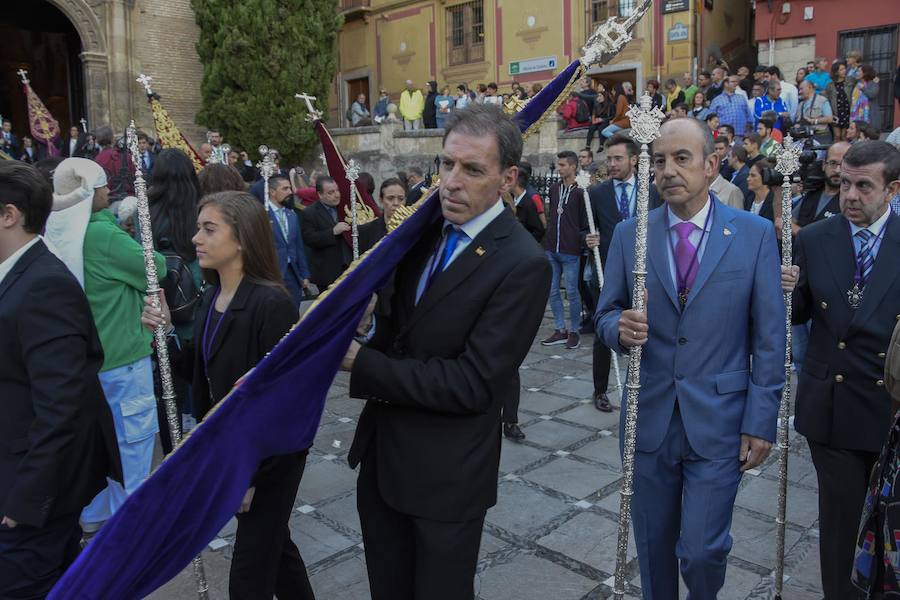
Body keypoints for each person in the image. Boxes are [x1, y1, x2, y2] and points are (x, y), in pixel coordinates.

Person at [339, 103, 551, 599]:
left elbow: (473, 385)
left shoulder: (523, 264)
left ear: (507, 177)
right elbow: (403, 330)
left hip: (446, 479)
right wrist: (367, 323)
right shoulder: (422, 231)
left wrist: (361, 362)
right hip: (383, 463)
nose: (451, 182)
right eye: (446, 164)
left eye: (472, 169)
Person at [596, 117, 784, 599]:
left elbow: (768, 336)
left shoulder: (753, 234)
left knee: (702, 551)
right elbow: (605, 313)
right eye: (659, 161)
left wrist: (762, 420)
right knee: (653, 550)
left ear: (711, 164)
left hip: (719, 422)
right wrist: (617, 328)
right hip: (648, 420)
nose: (668, 170)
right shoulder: (629, 235)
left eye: (682, 158)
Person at [142, 191, 315, 600]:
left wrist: (251, 479)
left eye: (208, 229)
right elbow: (196, 374)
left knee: (248, 579)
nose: (196, 239)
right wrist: (164, 332)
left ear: (241, 239)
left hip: (267, 465)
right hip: (228, 456)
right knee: (277, 552)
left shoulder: (271, 304)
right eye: (198, 228)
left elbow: (285, 408)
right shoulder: (212, 296)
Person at [783, 140, 900, 600]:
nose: (850, 195)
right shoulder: (814, 238)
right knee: (840, 524)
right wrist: (785, 289)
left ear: (892, 190)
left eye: (863, 186)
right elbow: (797, 315)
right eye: (845, 183)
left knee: (889, 524)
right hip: (830, 408)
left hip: (889, 410)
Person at [0, 161, 121, 598]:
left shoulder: (44, 285)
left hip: (29, 502)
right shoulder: (16, 275)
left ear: (9, 215)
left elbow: (63, 407)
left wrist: (24, 503)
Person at [44, 157, 165, 537]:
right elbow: (155, 267)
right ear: (86, 192)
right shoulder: (100, 233)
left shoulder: (56, 228)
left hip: (83, 361)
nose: (107, 189)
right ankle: (130, 524)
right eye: (100, 184)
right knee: (132, 440)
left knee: (94, 444)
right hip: (123, 359)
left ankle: (96, 515)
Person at [585, 133, 662, 412]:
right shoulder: (596, 193)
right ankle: (600, 390)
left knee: (642, 330)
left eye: (618, 158)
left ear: (633, 159)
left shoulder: (652, 191)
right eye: (609, 158)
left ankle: (647, 387)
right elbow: (585, 226)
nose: (612, 164)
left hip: (645, 274)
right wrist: (588, 238)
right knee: (605, 330)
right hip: (607, 272)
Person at [541, 150, 586, 350]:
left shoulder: (581, 191)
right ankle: (560, 329)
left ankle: (574, 330)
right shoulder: (554, 188)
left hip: (570, 249)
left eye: (563, 165)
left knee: (572, 292)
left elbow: (584, 220)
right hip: (551, 248)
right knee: (552, 291)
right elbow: (552, 215)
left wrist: (580, 242)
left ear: (573, 166)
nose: (559, 169)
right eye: (558, 165)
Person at [300, 175, 352, 290]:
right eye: (331, 192)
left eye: (337, 190)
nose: (337, 195)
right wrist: (332, 232)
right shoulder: (310, 213)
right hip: (327, 272)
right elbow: (309, 239)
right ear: (320, 195)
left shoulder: (346, 207)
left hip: (349, 267)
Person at [266, 175, 311, 307]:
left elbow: (298, 246)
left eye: (290, 188)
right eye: (285, 189)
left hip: (293, 275)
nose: (290, 192)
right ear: (272, 191)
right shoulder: (261, 214)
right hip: (273, 275)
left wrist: (305, 274)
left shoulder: (292, 215)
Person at [793, 142, 850, 228]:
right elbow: (786, 223)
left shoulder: (851, 200)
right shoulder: (812, 193)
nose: (837, 170)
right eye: (833, 163)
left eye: (843, 164)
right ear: (824, 165)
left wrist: (798, 232)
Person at [93, 126, 135, 203]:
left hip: (108, 199)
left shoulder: (97, 160)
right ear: (112, 139)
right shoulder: (125, 155)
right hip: (127, 198)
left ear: (97, 141)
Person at [709, 74, 753, 139]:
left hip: (740, 135)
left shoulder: (741, 98)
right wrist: (715, 135)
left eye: (736, 82)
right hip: (723, 136)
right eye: (733, 82)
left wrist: (747, 133)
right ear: (726, 84)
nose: (736, 84)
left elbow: (749, 117)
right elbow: (711, 120)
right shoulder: (716, 100)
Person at [797, 79, 834, 145]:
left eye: (801, 89)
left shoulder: (822, 100)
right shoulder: (800, 104)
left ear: (810, 87)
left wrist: (813, 121)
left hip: (821, 137)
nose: (799, 92)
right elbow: (798, 121)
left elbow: (830, 119)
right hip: (805, 138)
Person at [825, 60, 855, 142]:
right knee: (837, 136)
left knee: (844, 136)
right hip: (836, 112)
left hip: (847, 112)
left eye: (844, 69)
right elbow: (826, 99)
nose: (844, 71)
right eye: (841, 69)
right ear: (836, 72)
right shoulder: (830, 85)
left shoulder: (850, 81)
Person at [511, 170, 545, 242]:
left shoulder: (529, 203)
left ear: (516, 182)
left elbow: (538, 230)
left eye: (509, 179)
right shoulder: (510, 200)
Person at [851, 64, 882, 132]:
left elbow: (872, 94)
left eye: (859, 71)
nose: (857, 73)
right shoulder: (856, 83)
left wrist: (863, 88)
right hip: (857, 115)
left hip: (868, 116)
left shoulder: (873, 83)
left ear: (865, 73)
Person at [586, 85, 615, 151]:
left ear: (604, 97)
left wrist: (602, 119)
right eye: (598, 96)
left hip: (606, 120)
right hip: (598, 120)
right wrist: (595, 120)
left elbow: (613, 116)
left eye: (600, 96)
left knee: (601, 128)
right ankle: (587, 145)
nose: (598, 98)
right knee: (591, 128)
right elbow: (595, 114)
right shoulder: (597, 104)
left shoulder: (610, 105)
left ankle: (601, 145)